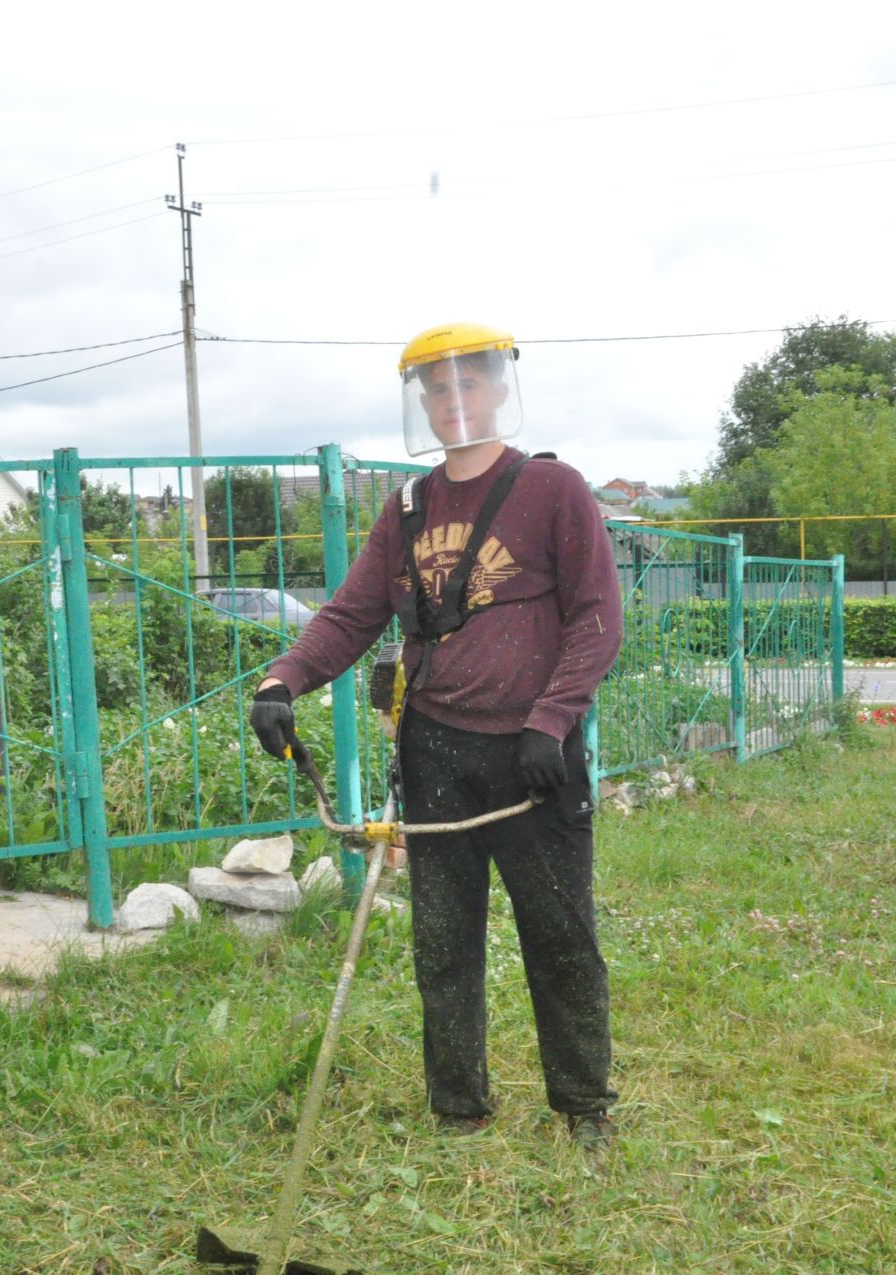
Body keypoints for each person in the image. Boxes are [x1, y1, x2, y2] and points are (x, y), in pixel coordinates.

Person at [249, 323, 625, 1148]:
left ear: (498, 391)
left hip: (536, 757)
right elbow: (350, 615)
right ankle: (459, 1105)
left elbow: (598, 618)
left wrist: (553, 721)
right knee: (444, 940)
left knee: (561, 934)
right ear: (423, 402)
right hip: (436, 749)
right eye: (439, 391)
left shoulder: (554, 492)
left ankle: (583, 1104)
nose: (455, 404)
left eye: (470, 387)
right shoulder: (408, 508)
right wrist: (283, 679)